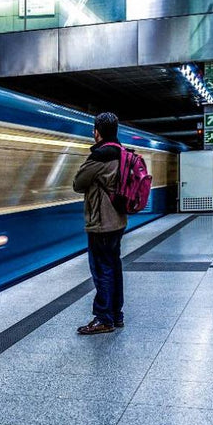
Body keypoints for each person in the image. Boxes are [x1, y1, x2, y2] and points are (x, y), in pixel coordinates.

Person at [72, 112, 127, 335]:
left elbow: (78, 183)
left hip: (101, 222)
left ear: (97, 132)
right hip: (118, 220)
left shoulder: (100, 157)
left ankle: (104, 317)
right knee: (114, 267)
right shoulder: (122, 153)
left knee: (101, 270)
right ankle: (116, 314)